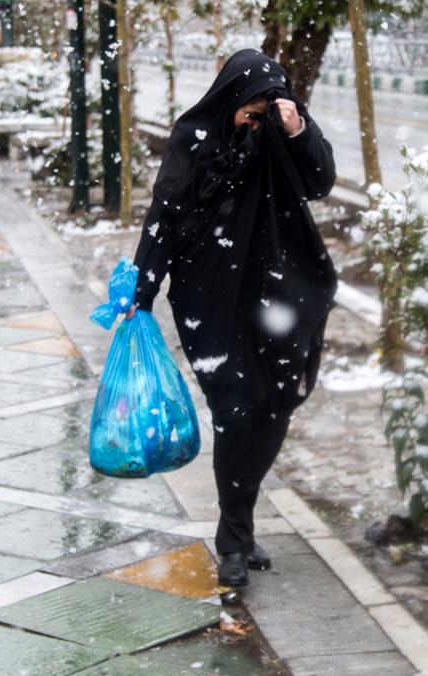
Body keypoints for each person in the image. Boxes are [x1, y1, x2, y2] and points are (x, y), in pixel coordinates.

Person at [125, 48, 337, 588]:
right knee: (235, 412)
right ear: (232, 96)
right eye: (254, 105)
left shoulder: (279, 137)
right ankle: (234, 540)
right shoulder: (193, 139)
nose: (260, 114)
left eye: (272, 103)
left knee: (277, 406)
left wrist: (296, 130)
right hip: (211, 300)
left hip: (281, 296)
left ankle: (237, 523)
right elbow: (164, 217)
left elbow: (320, 181)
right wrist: (141, 291)